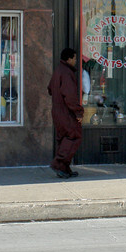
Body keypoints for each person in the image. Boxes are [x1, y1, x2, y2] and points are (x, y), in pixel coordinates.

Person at [47, 47, 83, 179]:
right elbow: (70, 96)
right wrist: (78, 112)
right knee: (73, 137)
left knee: (63, 139)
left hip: (57, 111)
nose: (75, 60)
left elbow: (50, 88)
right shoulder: (67, 73)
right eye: (74, 58)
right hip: (66, 112)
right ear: (69, 59)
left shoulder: (58, 71)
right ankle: (59, 164)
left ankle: (65, 168)